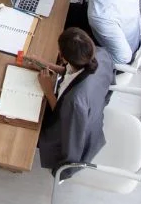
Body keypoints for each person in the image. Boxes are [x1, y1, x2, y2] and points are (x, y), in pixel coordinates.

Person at [22, 28, 115, 172]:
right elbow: (74, 73)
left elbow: (61, 120)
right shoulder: (99, 54)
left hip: (73, 135)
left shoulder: (74, 101)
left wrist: (48, 90)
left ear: (64, 58)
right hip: (89, 113)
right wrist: (47, 65)